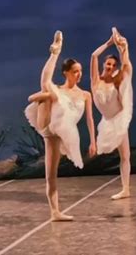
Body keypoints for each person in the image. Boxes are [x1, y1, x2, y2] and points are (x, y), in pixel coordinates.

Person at [25, 31, 96, 221]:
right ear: (66, 73)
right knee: (48, 88)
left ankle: (55, 212)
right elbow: (38, 94)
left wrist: (93, 141)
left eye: (80, 71)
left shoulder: (85, 94)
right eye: (75, 71)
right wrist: (46, 96)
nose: (79, 74)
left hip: (62, 132)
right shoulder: (59, 90)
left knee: (52, 173)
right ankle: (55, 53)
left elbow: (89, 119)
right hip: (48, 126)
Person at [91, 27, 133, 200]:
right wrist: (109, 43)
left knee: (125, 155)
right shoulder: (96, 81)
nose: (110, 66)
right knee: (113, 153)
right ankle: (125, 189)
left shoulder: (116, 81)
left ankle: (126, 189)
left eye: (113, 65)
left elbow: (126, 66)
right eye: (108, 63)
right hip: (107, 120)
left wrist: (123, 48)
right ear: (104, 65)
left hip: (118, 119)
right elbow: (94, 56)